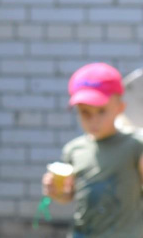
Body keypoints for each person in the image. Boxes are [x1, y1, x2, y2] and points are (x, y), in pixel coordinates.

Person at [42, 62, 143, 238]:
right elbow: (69, 195)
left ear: (120, 108)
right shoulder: (74, 150)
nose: (93, 120)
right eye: (85, 112)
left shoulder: (135, 145)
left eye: (101, 111)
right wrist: (56, 193)